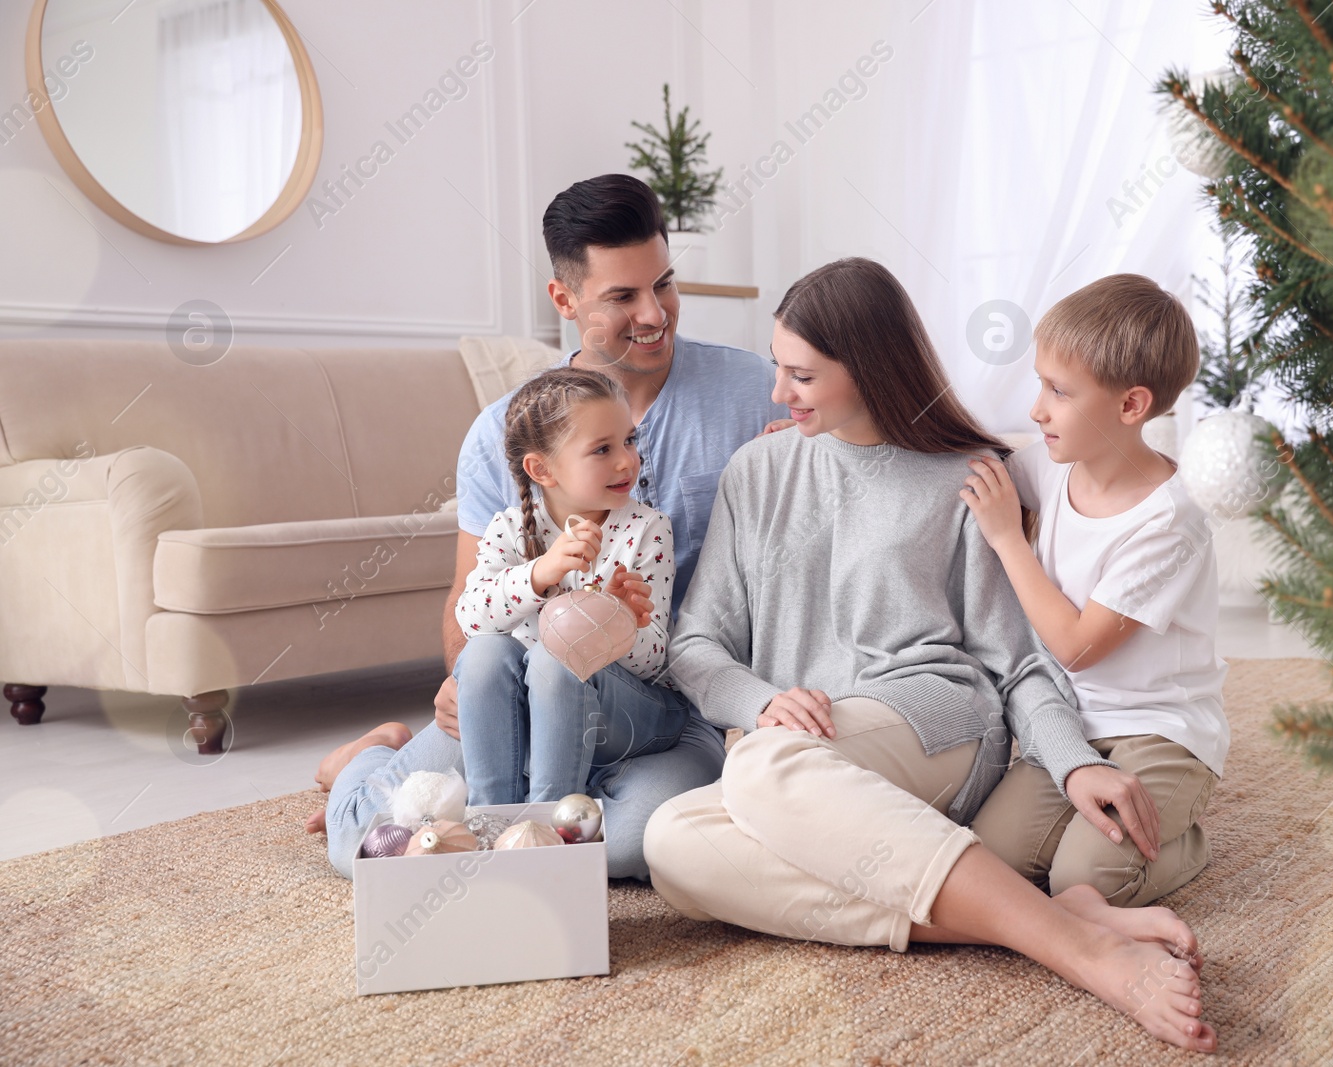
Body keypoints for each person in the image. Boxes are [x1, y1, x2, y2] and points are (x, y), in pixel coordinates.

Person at [643, 258, 1218, 1052]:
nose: (779, 393)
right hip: (799, 742)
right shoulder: (757, 470)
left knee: (759, 769)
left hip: (938, 715)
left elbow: (1019, 663)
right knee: (673, 845)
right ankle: (1024, 924)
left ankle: (1078, 951)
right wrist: (756, 700)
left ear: (869, 366)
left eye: (803, 374)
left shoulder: (968, 476)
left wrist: (1071, 760)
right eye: (778, 368)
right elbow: (696, 642)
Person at [308, 174, 787, 881]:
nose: (654, 313)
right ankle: (368, 756)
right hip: (525, 697)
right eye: (622, 297)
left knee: (628, 849)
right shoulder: (503, 431)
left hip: (657, 713)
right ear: (563, 300)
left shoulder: (756, 392)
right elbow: (468, 608)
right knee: (375, 845)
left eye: (664, 283)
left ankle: (531, 819)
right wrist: (464, 681)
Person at [963, 273, 1229, 907]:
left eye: (1058, 390)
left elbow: (1079, 647)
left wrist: (1009, 541)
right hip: (1070, 727)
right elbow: (964, 458)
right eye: (1040, 382)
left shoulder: (1171, 521)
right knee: (991, 858)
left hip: (1160, 733)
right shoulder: (1055, 465)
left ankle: (1182, 837)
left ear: (1131, 406)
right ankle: (1108, 823)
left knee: (1082, 883)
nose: (1036, 408)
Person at [455, 367, 688, 806]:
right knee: (485, 652)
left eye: (630, 440)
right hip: (533, 713)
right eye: (602, 449)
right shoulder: (507, 530)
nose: (626, 461)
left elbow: (656, 662)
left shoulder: (647, 529)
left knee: (557, 654)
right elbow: (470, 620)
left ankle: (548, 822)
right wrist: (538, 574)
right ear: (541, 469)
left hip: (636, 713)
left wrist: (619, 625)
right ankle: (491, 818)